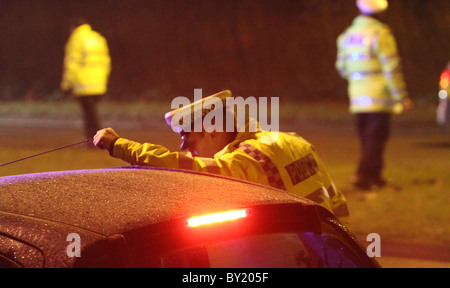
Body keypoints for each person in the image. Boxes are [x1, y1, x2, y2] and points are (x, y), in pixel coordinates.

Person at [94, 90, 350, 226]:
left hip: (296, 248)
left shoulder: (248, 159)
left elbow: (187, 166)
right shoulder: (292, 140)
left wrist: (118, 145)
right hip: (330, 244)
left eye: (191, 142)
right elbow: (336, 200)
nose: (188, 151)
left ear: (213, 130)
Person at [336, 0, 413, 190]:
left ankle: (376, 177)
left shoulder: (346, 36)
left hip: (356, 96)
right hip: (379, 96)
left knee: (366, 139)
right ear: (380, 13)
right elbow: (391, 68)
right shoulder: (381, 34)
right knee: (376, 139)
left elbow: (342, 68)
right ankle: (363, 176)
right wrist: (401, 96)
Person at [60, 18, 111, 141]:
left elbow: (72, 64)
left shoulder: (76, 39)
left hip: (83, 83)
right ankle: (96, 138)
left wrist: (66, 84)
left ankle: (93, 139)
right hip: (98, 82)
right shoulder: (98, 38)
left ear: (73, 28)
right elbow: (106, 61)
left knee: (89, 115)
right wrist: (104, 78)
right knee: (92, 113)